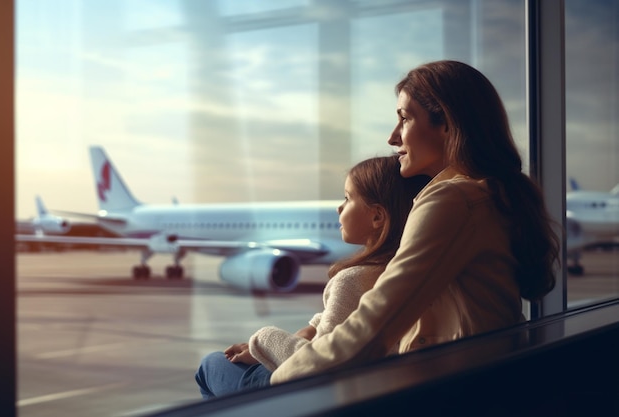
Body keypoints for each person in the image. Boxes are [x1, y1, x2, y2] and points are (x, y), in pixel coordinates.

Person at [269, 59, 560, 384]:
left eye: (405, 119)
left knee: (218, 368)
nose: (393, 137)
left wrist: (280, 383)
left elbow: (372, 326)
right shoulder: (491, 195)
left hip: (447, 390)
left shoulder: (453, 202)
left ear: (447, 124)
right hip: (485, 379)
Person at [195, 156, 431, 399]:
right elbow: (337, 327)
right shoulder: (410, 270)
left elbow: (319, 361)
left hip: (325, 392)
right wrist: (302, 334)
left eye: (348, 198)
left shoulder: (351, 280)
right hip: (379, 387)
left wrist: (263, 341)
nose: (339, 208)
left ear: (377, 217)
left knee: (211, 364)